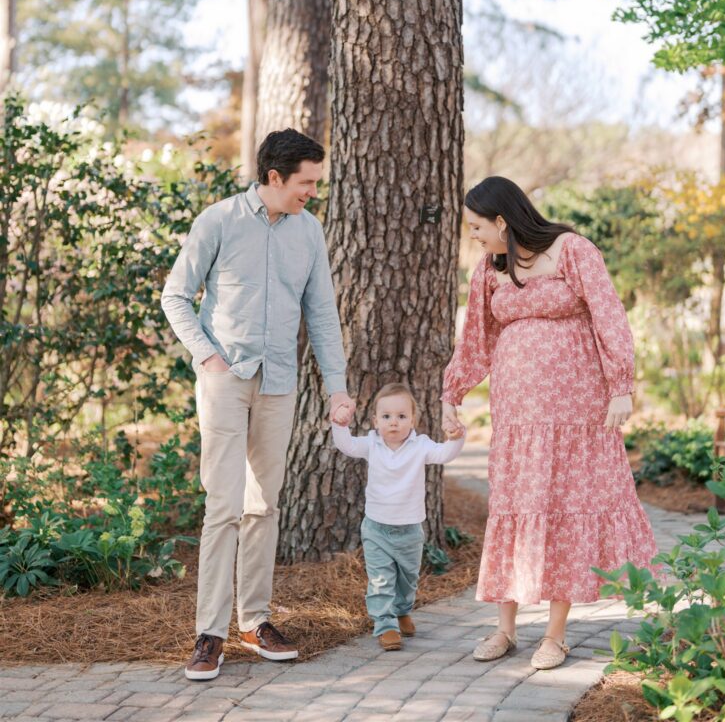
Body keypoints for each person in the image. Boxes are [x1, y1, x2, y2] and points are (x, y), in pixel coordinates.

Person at [161, 129, 356, 681]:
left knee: (262, 505)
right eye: (306, 183)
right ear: (274, 177)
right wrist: (207, 357)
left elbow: (321, 315)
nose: (313, 192)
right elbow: (175, 294)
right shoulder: (219, 220)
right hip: (225, 379)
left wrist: (336, 387)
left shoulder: (309, 231)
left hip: (280, 383)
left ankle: (257, 620)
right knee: (222, 506)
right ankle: (210, 633)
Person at [441, 176, 657, 671]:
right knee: (516, 504)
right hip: (518, 417)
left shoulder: (573, 250)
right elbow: (476, 340)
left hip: (576, 411)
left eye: (477, 226)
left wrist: (621, 385)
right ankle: (505, 629)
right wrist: (451, 393)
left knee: (565, 504)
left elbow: (609, 317)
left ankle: (555, 635)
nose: (472, 235)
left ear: (502, 220)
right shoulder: (489, 270)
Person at [331, 383, 465, 650]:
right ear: (375, 421)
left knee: (407, 579)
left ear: (413, 420)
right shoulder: (372, 444)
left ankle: (403, 610)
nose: (394, 423)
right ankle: (385, 624)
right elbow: (345, 444)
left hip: (410, 530)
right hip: (377, 528)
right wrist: (340, 422)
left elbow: (445, 454)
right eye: (387, 416)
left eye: (402, 416)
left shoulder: (420, 446)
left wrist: (456, 437)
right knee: (380, 580)